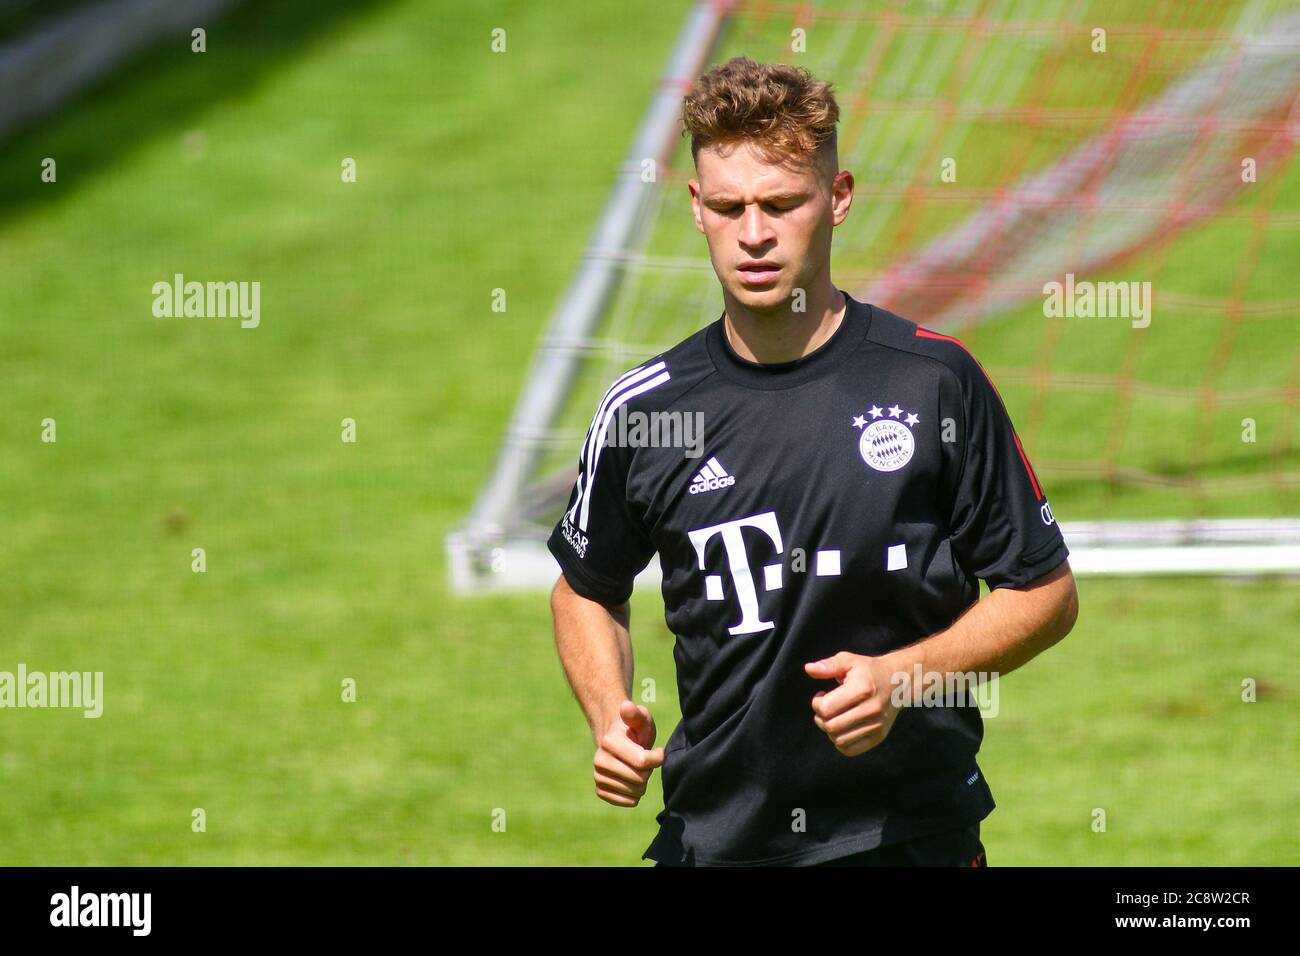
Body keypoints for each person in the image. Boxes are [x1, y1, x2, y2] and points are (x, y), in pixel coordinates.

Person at [547, 56, 1078, 866]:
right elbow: (585, 588)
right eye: (728, 207)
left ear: (838, 198)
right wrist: (608, 709)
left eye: (781, 204)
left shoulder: (932, 383)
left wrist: (906, 675)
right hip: (714, 838)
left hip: (909, 838)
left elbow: (1044, 591)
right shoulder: (647, 410)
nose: (753, 233)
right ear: (696, 207)